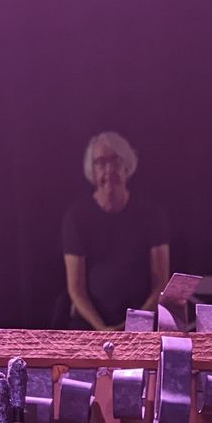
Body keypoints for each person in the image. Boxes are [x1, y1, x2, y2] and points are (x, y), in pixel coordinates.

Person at [61, 131, 170, 330]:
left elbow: (160, 283)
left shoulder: (151, 214)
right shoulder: (76, 217)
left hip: (142, 325)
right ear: (92, 171)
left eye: (116, 161)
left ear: (127, 166)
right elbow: (76, 289)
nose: (109, 169)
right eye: (101, 162)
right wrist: (103, 330)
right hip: (91, 326)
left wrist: (133, 326)